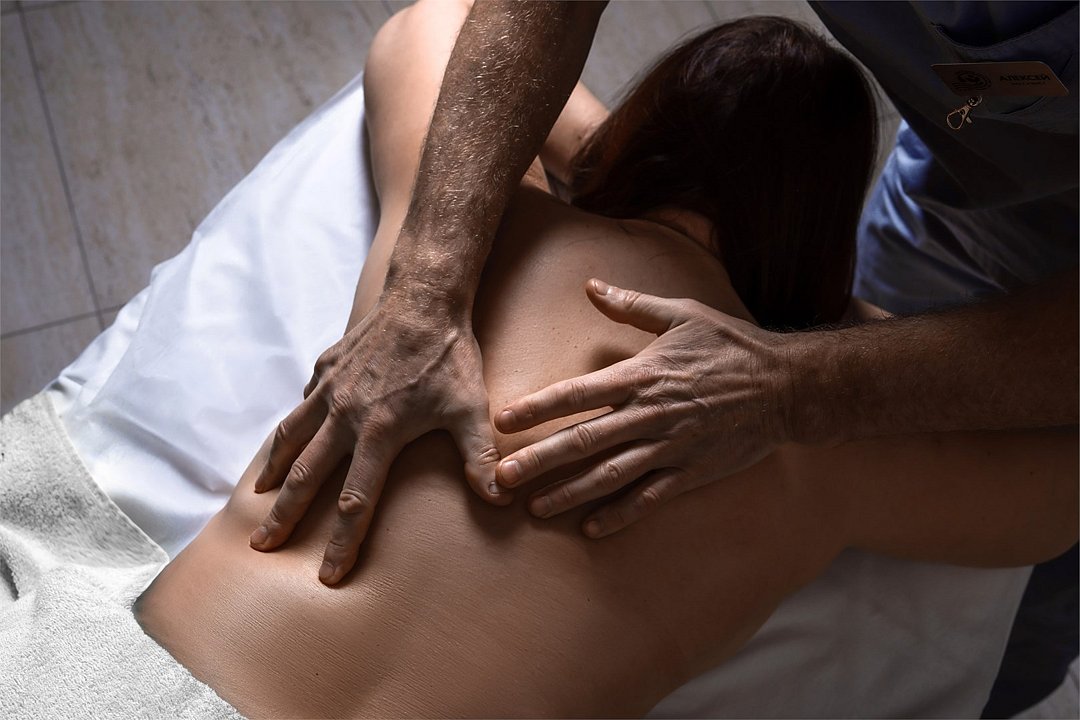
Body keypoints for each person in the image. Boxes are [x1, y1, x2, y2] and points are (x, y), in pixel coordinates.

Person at [128, 3, 1078, 716]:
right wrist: (836, 336)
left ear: (635, 133)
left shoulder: (484, 243)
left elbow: (433, 20)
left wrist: (599, 167)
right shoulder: (810, 453)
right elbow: (1056, 493)